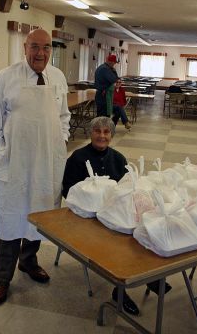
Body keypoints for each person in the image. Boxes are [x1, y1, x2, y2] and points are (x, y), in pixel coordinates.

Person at [0, 29, 71, 305]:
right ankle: (2, 277)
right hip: (17, 164)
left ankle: (29, 262)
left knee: (39, 217)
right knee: (12, 218)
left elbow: (64, 116)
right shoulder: (5, 77)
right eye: (34, 46)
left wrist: (61, 141)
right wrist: (5, 152)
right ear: (24, 47)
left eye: (46, 47)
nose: (40, 53)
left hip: (47, 161)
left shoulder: (57, 77)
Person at [62, 116, 172, 315]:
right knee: (120, 244)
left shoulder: (119, 158)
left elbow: (126, 188)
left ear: (111, 135)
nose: (102, 136)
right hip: (89, 218)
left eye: (106, 132)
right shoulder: (78, 158)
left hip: (113, 215)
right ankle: (120, 291)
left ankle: (152, 275)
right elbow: (67, 191)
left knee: (144, 228)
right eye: (98, 131)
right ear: (90, 133)